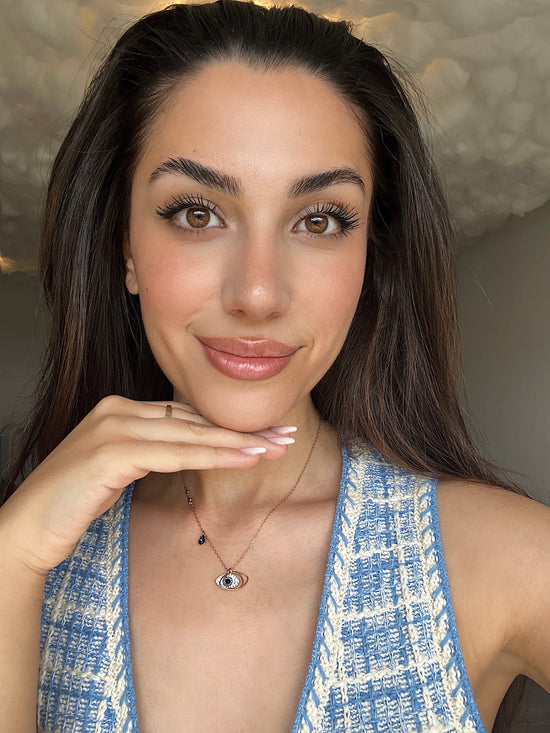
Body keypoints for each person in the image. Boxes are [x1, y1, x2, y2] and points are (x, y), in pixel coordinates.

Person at [1, 1, 549, 730]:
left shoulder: (500, 555)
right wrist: (10, 561)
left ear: (371, 256)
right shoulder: (37, 550)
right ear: (124, 245)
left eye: (319, 220)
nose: (258, 294)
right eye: (197, 213)